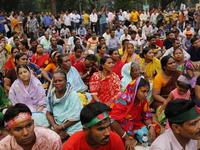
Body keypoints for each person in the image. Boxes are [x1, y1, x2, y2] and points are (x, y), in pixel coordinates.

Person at [110, 78, 160, 150]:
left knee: (155, 130)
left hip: (135, 123)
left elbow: (145, 115)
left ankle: (134, 136)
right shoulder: (123, 100)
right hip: (121, 124)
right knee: (116, 140)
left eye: (147, 92)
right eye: (143, 91)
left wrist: (150, 126)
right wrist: (126, 138)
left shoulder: (142, 100)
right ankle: (131, 137)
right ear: (135, 90)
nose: (146, 95)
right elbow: (113, 121)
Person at [46, 71, 82, 141]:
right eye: (55, 81)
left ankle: (66, 134)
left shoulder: (72, 94)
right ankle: (59, 133)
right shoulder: (51, 94)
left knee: (80, 128)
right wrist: (55, 126)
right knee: (37, 118)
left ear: (66, 81)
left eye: (60, 81)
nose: (57, 83)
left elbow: (76, 116)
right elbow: (48, 113)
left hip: (71, 123)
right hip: (56, 122)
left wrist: (61, 127)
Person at [152, 56, 181, 120]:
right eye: (170, 63)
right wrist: (167, 102)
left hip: (176, 97)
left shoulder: (179, 74)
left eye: (174, 62)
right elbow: (155, 94)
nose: (173, 65)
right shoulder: (159, 77)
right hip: (162, 100)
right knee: (163, 112)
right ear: (164, 66)